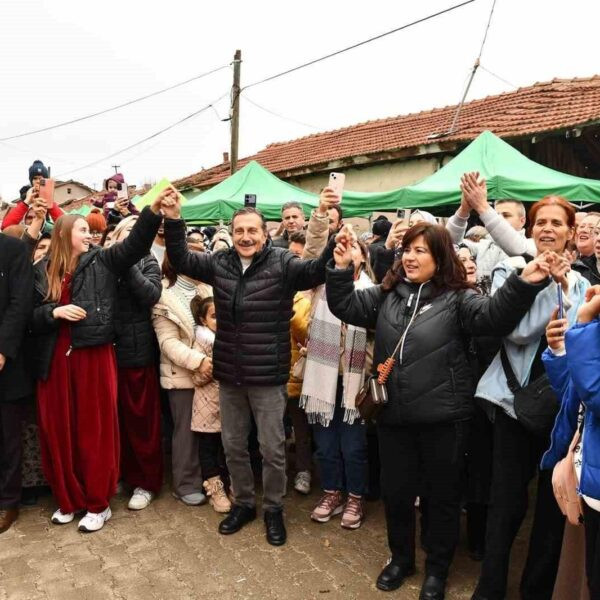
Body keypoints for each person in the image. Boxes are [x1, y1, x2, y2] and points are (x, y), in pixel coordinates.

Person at [325, 221, 551, 600]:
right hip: (393, 419)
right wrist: (340, 268)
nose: (411, 258)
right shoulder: (387, 295)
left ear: (440, 257)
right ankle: (400, 560)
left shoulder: (460, 299)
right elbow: (345, 305)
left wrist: (523, 282)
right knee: (397, 495)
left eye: (421, 251)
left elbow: (494, 316)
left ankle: (437, 569)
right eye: (407, 250)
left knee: (442, 498)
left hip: (444, 420)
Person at [152, 189, 334, 547]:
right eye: (239, 231)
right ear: (232, 234)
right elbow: (181, 258)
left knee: (272, 448)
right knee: (233, 445)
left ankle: (273, 509)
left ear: (265, 234)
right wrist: (173, 218)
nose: (246, 237)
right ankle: (245, 504)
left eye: (253, 231)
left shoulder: (282, 263)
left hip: (267, 377)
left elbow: (315, 269)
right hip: (230, 374)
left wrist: (323, 220)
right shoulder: (219, 263)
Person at [472, 196, 589, 600]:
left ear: (571, 232)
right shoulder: (512, 269)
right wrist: (546, 284)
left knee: (553, 509)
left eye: (557, 223)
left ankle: (535, 590)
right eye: (541, 222)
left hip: (564, 412)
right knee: (505, 505)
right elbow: (517, 332)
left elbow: (580, 341)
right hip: (514, 405)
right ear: (530, 229)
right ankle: (489, 588)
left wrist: (569, 289)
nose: (548, 229)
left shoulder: (585, 283)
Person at [30, 208, 161, 532]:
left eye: (89, 230)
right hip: (54, 358)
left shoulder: (101, 260)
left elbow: (134, 245)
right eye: (81, 230)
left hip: (93, 355)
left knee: (94, 429)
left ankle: (98, 503)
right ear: (63, 234)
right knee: (59, 430)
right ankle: (69, 499)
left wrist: (154, 212)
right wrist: (54, 312)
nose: (89, 235)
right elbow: (28, 317)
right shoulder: (41, 270)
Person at [302, 236, 374, 530]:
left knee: (354, 446)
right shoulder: (321, 287)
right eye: (342, 247)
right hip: (323, 379)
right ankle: (332, 493)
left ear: (363, 257)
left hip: (355, 381)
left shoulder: (372, 291)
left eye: (354, 247)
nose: (347, 251)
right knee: (325, 444)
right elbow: (308, 254)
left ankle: (355, 497)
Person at [542, 288, 600, 599]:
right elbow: (572, 392)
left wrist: (585, 322)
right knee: (580, 572)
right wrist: (562, 351)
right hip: (587, 476)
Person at [111, 216, 164, 511]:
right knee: (113, 421)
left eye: (137, 234)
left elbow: (151, 296)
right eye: (127, 233)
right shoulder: (104, 261)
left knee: (141, 421)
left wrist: (128, 263)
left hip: (137, 353)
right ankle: (118, 472)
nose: (132, 239)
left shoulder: (146, 262)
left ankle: (146, 481)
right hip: (105, 351)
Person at [152, 255, 212, 507]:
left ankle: (213, 480)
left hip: (213, 373)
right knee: (186, 431)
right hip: (182, 375)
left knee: (211, 431)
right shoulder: (163, 296)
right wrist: (198, 361)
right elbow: (167, 342)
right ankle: (185, 484)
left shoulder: (207, 289)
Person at [0, 234, 33, 534]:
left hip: (6, 363)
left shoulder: (13, 250)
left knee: (8, 437)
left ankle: (8, 501)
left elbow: (20, 302)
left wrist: (2, 348)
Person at [447, 172, 537, 281]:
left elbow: (518, 249)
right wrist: (463, 210)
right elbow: (448, 244)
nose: (500, 219)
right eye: (497, 215)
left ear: (522, 221)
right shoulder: (482, 246)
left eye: (506, 215)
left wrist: (481, 206)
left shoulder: (533, 246)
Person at [190, 296, 231, 514]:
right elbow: (197, 377)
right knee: (208, 449)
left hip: (230, 405)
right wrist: (217, 366)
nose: (220, 320)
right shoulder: (201, 343)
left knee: (229, 447)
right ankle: (214, 488)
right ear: (204, 320)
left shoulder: (231, 338)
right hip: (207, 406)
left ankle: (231, 484)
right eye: (214, 316)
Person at [1, 160, 64, 231]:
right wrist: (27, 201)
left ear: (46, 181)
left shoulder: (50, 203)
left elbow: (66, 226)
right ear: (31, 181)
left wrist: (48, 199)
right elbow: (5, 227)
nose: (38, 181)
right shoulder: (23, 202)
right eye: (35, 178)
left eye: (41, 179)